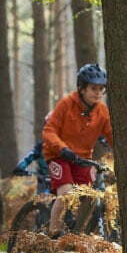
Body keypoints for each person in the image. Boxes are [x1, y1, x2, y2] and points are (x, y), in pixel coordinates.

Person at [42, 63, 113, 236]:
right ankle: (54, 232)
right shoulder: (66, 104)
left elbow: (112, 135)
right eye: (93, 88)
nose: (97, 93)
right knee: (66, 192)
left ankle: (77, 234)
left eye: (101, 89)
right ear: (82, 88)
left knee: (90, 196)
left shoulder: (102, 111)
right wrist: (62, 148)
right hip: (59, 155)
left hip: (82, 159)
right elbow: (48, 130)